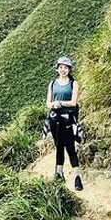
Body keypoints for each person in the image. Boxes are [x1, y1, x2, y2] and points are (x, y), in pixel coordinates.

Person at [45, 56, 83, 191]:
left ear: (69, 69)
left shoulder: (74, 84)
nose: (63, 70)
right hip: (54, 119)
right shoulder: (52, 83)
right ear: (57, 69)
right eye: (61, 67)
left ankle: (77, 176)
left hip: (67, 118)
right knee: (59, 146)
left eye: (65, 68)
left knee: (70, 148)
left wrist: (60, 103)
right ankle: (59, 173)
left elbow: (74, 102)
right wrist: (53, 105)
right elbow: (48, 103)